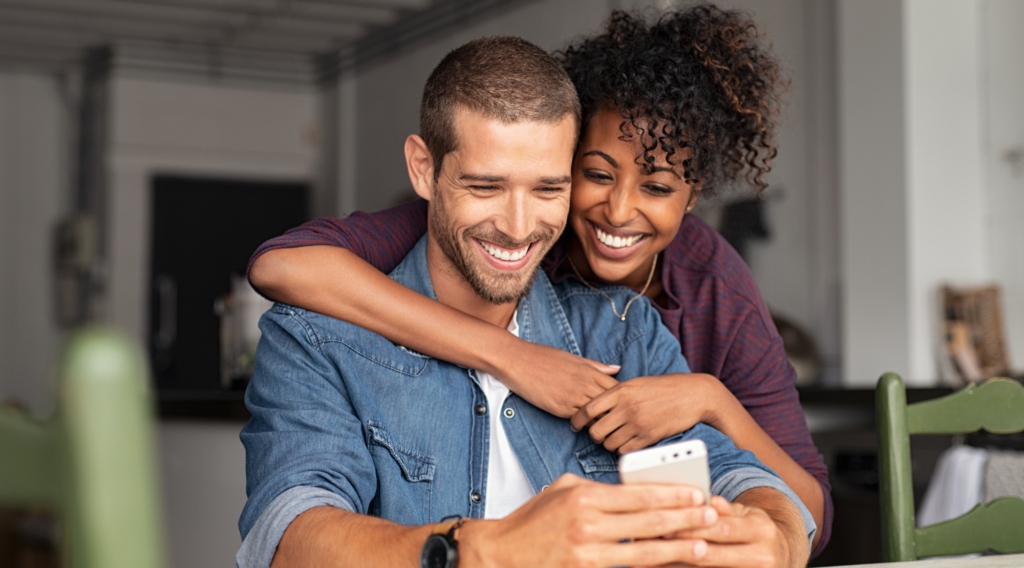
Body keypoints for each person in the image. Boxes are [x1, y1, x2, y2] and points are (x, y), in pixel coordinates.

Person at [248, 5, 832, 557]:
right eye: (485, 187)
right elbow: (291, 534)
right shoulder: (319, 338)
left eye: (547, 188)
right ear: (424, 170)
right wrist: (489, 547)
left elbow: (760, 487)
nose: (518, 226)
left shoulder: (631, 326)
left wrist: (772, 536)